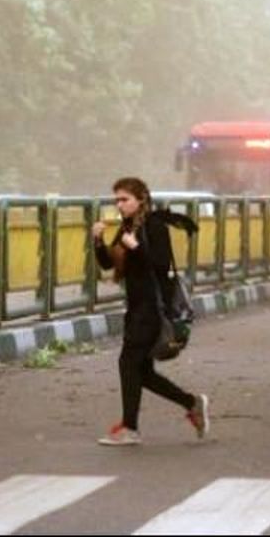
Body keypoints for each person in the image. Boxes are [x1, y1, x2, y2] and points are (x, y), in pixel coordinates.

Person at [92, 176, 210, 446]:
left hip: (153, 309)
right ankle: (191, 403)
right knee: (142, 372)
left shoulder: (154, 225)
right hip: (137, 307)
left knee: (128, 363)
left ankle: (130, 428)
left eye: (125, 199)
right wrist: (98, 241)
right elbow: (109, 264)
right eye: (117, 200)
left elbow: (160, 265)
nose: (120, 205)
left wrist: (138, 248)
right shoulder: (126, 228)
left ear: (141, 199)